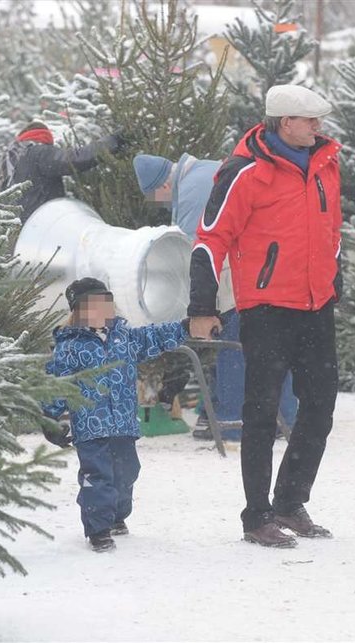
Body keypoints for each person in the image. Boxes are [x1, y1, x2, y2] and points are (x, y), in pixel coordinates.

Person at [186, 84, 342, 548]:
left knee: (320, 406)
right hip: (267, 310)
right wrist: (201, 308)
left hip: (316, 306)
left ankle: (290, 501)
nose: (318, 128)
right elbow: (208, 241)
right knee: (260, 414)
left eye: (318, 120)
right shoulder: (243, 172)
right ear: (283, 122)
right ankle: (256, 517)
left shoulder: (327, 165)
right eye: (309, 120)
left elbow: (332, 230)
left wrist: (334, 285)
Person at [132, 153, 299, 438]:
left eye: (156, 197)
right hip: (272, 266)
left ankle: (232, 424)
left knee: (232, 346)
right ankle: (285, 418)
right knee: (273, 348)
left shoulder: (190, 193)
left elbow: (193, 253)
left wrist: (197, 307)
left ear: (161, 187)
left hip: (241, 274)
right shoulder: (204, 172)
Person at [42, 277, 189, 552]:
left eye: (104, 304)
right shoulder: (69, 346)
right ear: (77, 312)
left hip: (123, 423)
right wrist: (49, 418)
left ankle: (117, 516)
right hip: (90, 427)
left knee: (126, 472)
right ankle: (98, 528)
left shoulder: (125, 337)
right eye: (91, 306)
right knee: (97, 476)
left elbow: (155, 336)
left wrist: (185, 327)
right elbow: (56, 384)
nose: (100, 311)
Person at [0, 121, 125, 223]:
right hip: (41, 226)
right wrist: (114, 140)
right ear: (44, 137)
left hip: (17, 233)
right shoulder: (39, 152)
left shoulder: (9, 160)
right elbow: (76, 159)